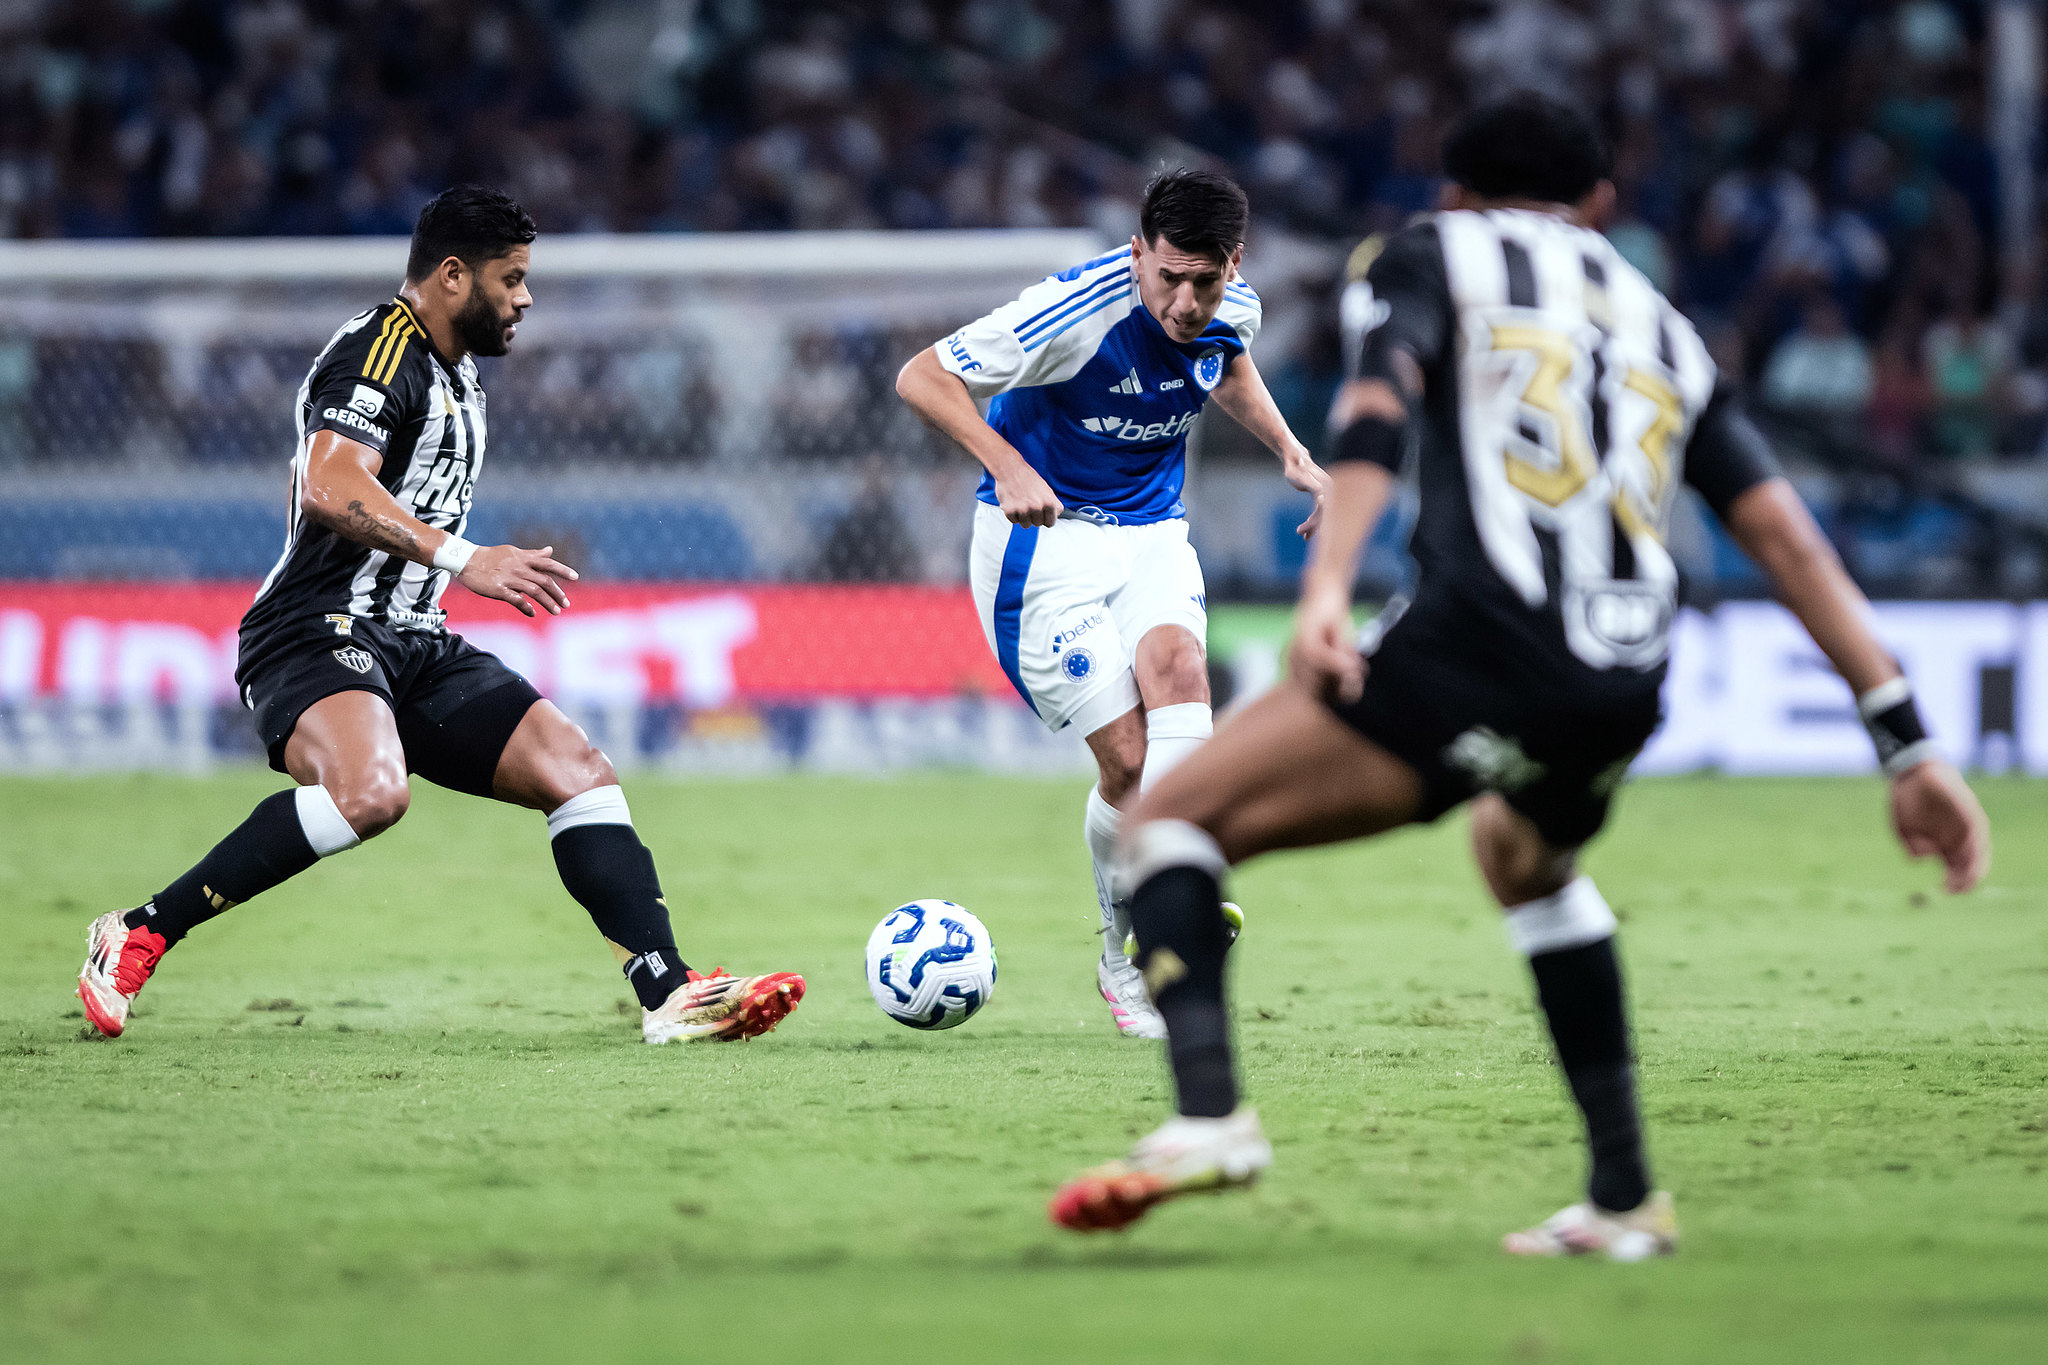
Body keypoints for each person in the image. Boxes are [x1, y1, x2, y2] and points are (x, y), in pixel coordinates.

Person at [1048, 96, 1990, 1254]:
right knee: (1522, 855)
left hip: (1479, 640)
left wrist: (1328, 589)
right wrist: (1906, 743)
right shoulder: (1660, 323)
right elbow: (1787, 540)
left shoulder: (1429, 253)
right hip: (1625, 671)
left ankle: (1208, 1119)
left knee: (1165, 828)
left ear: (1452, 191)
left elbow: (1376, 406)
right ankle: (1621, 1197)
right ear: (1597, 205)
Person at [76, 186, 804, 1045]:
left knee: (580, 773)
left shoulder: (458, 371)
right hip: (313, 628)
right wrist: (468, 558)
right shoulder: (379, 351)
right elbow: (331, 484)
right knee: (370, 792)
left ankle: (669, 992)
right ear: (453, 276)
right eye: (513, 278)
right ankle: (140, 929)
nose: (526, 297)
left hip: (411, 639)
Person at [896, 169, 1328, 1038]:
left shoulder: (1227, 303)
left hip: (1151, 530)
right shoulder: (1068, 311)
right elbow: (922, 376)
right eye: (1167, 276)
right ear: (1138, 251)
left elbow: (1226, 363)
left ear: (1232, 265)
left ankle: (1165, 924)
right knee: (1127, 762)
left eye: (1204, 281)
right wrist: (1007, 464)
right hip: (1041, 541)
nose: (1184, 301)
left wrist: (1289, 448)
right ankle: (1137, 932)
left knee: (1181, 668)